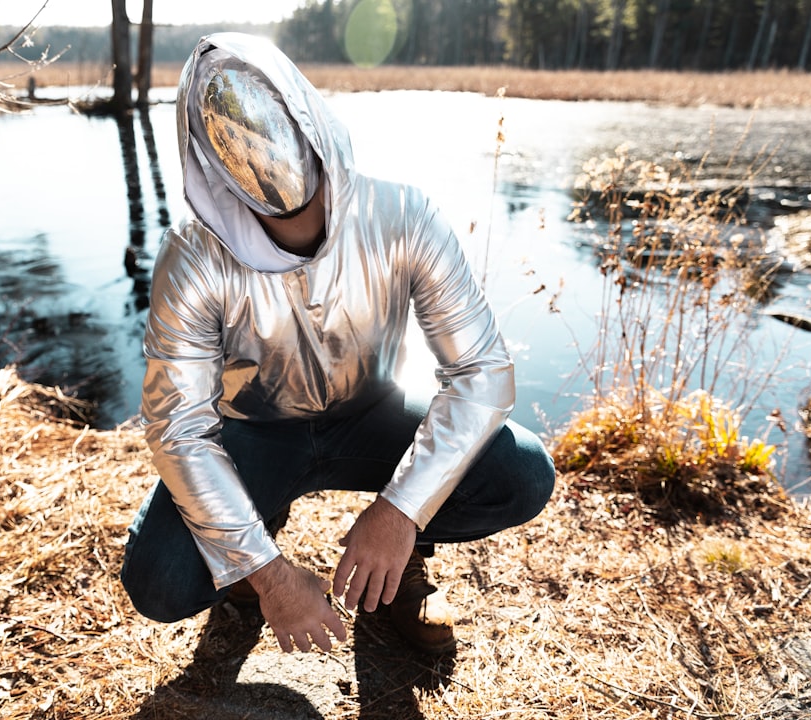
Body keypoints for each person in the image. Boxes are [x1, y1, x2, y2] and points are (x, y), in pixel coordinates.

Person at [120, 32, 555, 656]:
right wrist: (269, 575)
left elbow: (482, 372)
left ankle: (395, 571)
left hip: (371, 411)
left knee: (521, 473)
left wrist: (400, 512)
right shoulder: (192, 256)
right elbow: (179, 429)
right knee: (161, 582)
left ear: (306, 115)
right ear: (213, 166)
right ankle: (249, 554)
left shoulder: (404, 215)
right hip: (253, 430)